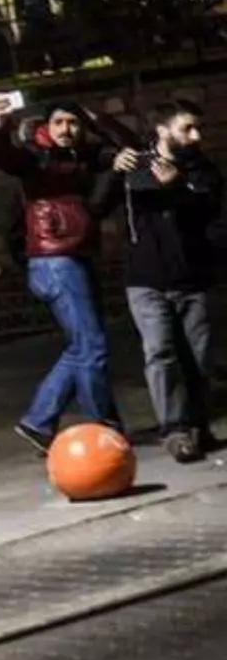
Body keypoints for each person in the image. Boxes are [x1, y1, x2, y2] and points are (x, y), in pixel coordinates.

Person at [0, 94, 122, 452]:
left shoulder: (83, 156)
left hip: (77, 256)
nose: (66, 129)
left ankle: (39, 422)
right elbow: (1, 156)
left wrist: (99, 120)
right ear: (46, 126)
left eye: (73, 123)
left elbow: (128, 148)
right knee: (91, 346)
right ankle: (101, 428)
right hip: (54, 260)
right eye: (59, 122)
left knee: (83, 346)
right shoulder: (35, 157)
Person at [99, 99, 220, 462]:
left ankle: (198, 425)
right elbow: (97, 207)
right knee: (161, 353)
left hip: (193, 278)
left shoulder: (202, 169)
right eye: (187, 128)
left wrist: (179, 187)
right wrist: (112, 171)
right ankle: (174, 430)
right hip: (147, 279)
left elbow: (212, 212)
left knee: (198, 358)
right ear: (163, 130)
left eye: (197, 128)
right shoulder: (135, 165)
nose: (195, 135)